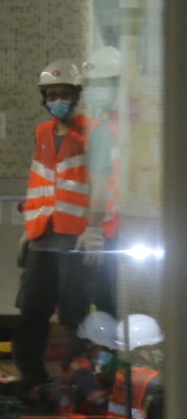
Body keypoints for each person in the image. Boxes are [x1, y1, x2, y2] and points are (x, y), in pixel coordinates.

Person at [15, 60, 99, 398]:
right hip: (42, 233)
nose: (58, 100)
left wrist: (94, 228)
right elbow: (38, 180)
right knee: (32, 307)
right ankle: (33, 378)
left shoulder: (93, 132)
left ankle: (77, 378)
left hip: (75, 234)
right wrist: (27, 228)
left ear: (77, 96)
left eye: (64, 94)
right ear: (43, 98)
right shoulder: (42, 133)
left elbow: (101, 183)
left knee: (74, 309)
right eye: (52, 95)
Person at [82, 45, 124, 318]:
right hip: (114, 230)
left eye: (100, 83)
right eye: (91, 84)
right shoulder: (105, 126)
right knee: (106, 298)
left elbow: (100, 184)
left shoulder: (109, 129)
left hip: (113, 231)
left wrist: (93, 229)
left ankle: (110, 356)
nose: (94, 90)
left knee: (107, 299)